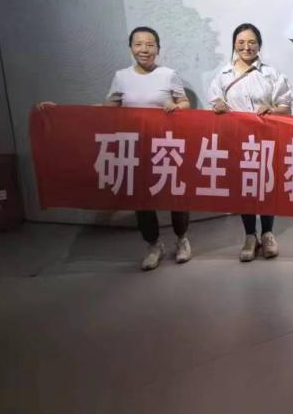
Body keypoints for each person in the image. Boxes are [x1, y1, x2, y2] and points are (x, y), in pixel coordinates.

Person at [38, 26, 192, 271]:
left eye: (150, 44)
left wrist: (177, 107)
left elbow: (185, 102)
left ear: (158, 48)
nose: (144, 49)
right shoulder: (121, 77)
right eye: (139, 44)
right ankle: (154, 245)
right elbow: (108, 108)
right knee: (142, 200)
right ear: (131, 48)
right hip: (135, 148)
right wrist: (59, 112)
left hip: (166, 146)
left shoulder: (168, 74)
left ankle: (182, 240)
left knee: (176, 195)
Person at [209, 23, 293, 262]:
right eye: (241, 43)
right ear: (234, 45)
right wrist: (218, 107)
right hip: (236, 140)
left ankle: (267, 234)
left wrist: (273, 109)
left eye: (252, 42)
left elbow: (285, 107)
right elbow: (214, 106)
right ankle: (249, 235)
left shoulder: (271, 74)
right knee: (244, 186)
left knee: (266, 185)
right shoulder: (223, 76)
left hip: (266, 139)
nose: (246, 47)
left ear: (259, 45)